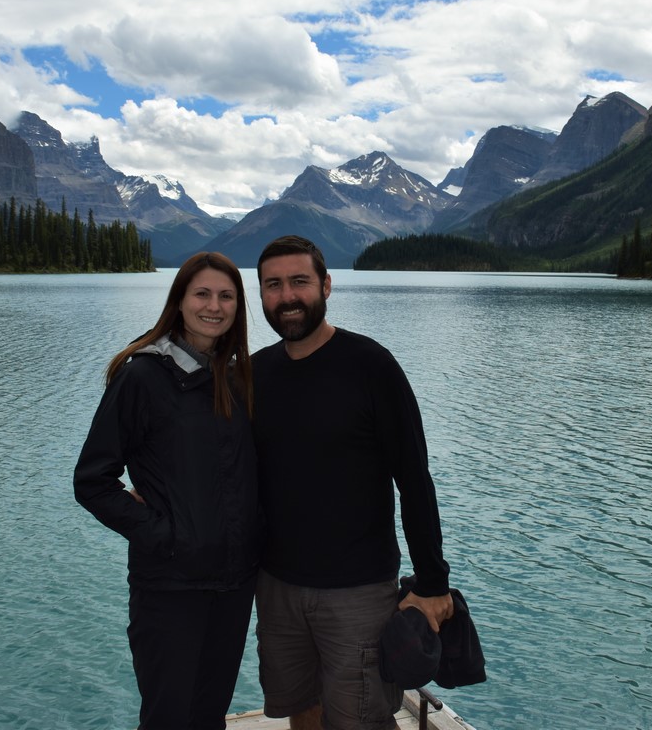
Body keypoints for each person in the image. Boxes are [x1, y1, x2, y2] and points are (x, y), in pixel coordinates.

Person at [251, 235, 455, 730]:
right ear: (261, 295)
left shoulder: (371, 366)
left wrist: (431, 581)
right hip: (276, 587)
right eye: (273, 285)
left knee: (359, 719)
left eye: (299, 281)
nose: (287, 296)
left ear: (326, 285)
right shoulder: (254, 374)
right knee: (301, 709)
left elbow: (414, 478)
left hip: (357, 592)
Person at [73, 251, 260, 730]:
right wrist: (164, 535)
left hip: (234, 585)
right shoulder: (142, 376)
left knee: (209, 715)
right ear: (179, 301)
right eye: (202, 294)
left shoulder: (236, 377)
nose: (213, 306)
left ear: (239, 307)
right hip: (170, 587)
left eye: (226, 296)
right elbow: (93, 481)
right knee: (167, 718)